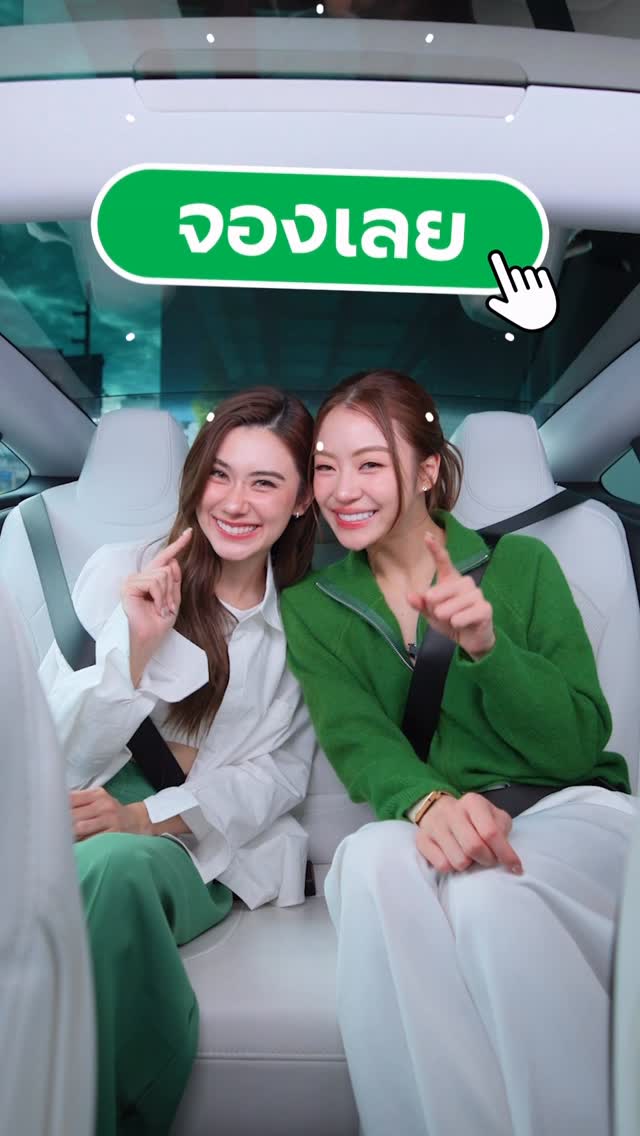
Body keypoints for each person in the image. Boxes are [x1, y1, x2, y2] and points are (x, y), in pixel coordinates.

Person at [280, 369, 638, 1136]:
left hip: (570, 812)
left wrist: (487, 647)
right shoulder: (311, 609)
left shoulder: (524, 567)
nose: (343, 489)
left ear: (428, 470)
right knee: (367, 859)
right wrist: (430, 801)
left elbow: (577, 743)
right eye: (325, 466)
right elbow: (358, 738)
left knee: (487, 901)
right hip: (435, 823)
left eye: (370, 464)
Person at [38, 386, 318, 1136]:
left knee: (114, 869)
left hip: (191, 844)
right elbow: (48, 746)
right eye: (220, 474)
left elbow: (276, 776)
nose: (234, 502)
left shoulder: (301, 625)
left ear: (300, 502)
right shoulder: (117, 569)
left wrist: (141, 817)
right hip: (71, 808)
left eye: (265, 482)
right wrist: (133, 649)